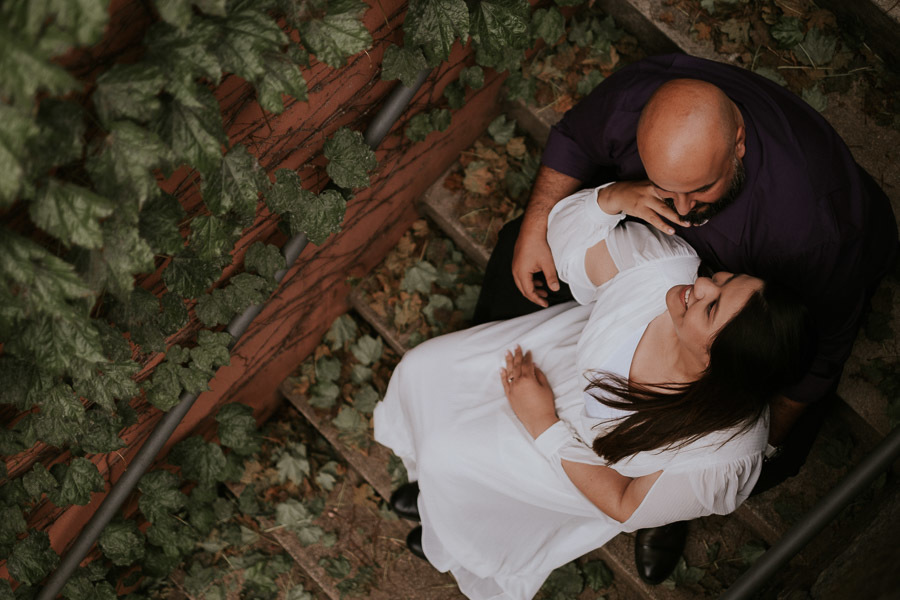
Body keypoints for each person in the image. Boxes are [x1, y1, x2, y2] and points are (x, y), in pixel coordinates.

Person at [472, 54, 898, 583]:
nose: (681, 207)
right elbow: (577, 138)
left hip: (764, 316)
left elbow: (823, 349)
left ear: (738, 143)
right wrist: (542, 224)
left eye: (699, 190)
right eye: (667, 187)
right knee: (516, 253)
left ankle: (670, 506)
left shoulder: (814, 232)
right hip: (673, 277)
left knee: (773, 455)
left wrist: (741, 444)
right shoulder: (641, 103)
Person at [374, 184, 816, 600]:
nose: (702, 283)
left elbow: (624, 503)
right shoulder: (660, 271)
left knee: (451, 457)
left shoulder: (719, 455)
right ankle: (435, 493)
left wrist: (544, 425)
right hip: (548, 360)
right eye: (724, 279)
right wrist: (612, 198)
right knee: (422, 372)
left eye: (712, 306)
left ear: (716, 366)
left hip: (572, 458)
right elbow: (569, 241)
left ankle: (454, 522)